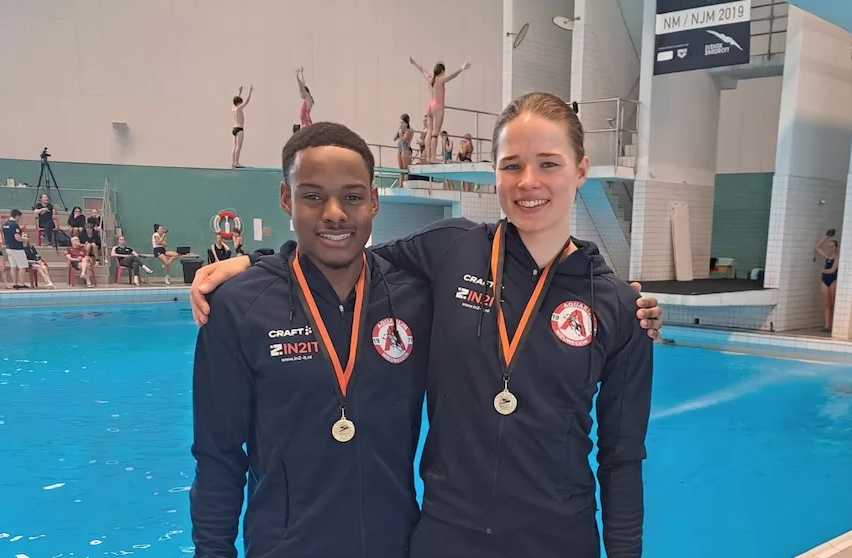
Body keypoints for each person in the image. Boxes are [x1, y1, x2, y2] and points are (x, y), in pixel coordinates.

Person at [189, 92, 663, 558]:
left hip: (558, 540)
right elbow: (340, 251)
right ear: (494, 171)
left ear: (581, 169)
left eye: (549, 164)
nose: (528, 182)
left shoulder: (620, 307)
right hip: (446, 536)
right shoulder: (453, 249)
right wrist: (255, 263)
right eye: (512, 165)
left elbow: (622, 459)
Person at [190, 122, 434, 557]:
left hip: (395, 546)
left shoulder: (414, 299)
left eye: (352, 197)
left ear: (374, 200)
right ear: (287, 198)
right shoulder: (239, 307)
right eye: (313, 196)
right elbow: (218, 455)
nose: (335, 213)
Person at [409, 58, 470, 163]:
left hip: (430, 105)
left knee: (429, 132)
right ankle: (433, 157)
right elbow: (452, 75)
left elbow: (422, 70)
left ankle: (428, 157)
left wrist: (414, 62)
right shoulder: (440, 79)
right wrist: (461, 68)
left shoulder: (430, 79)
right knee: (435, 133)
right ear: (441, 71)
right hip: (438, 105)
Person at [815, 233, 839, 332]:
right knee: (826, 303)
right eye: (829, 247)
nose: (830, 248)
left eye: (832, 246)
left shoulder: (837, 257)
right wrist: (826, 236)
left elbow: (833, 270)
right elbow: (817, 247)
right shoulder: (827, 257)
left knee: (832, 302)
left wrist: (823, 270)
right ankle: (826, 325)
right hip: (824, 280)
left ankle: (833, 324)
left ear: (836, 248)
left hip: (833, 280)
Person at [2, 209, 30, 289]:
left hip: (9, 247)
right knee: (22, 266)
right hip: (17, 248)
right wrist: (25, 239)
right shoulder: (14, 225)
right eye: (19, 217)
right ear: (17, 216)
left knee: (13, 266)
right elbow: (17, 237)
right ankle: (21, 283)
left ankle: (14, 283)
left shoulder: (5, 224)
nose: (19, 219)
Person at [231, 85, 254, 168]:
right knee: (238, 146)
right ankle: (236, 162)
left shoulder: (233, 108)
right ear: (238, 103)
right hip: (239, 129)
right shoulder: (238, 108)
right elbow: (246, 102)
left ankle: (233, 162)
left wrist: (239, 92)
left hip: (234, 128)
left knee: (234, 147)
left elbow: (235, 101)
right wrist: (250, 92)